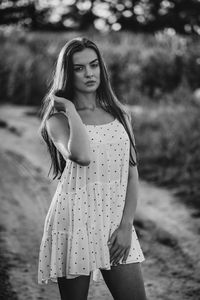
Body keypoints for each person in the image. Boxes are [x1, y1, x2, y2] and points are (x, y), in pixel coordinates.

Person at [38, 37, 147, 300]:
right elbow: (82, 156)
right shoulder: (58, 121)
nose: (89, 73)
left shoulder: (120, 114)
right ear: (68, 73)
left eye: (94, 65)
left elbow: (131, 173)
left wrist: (125, 225)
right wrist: (72, 110)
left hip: (114, 222)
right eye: (79, 68)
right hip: (73, 220)